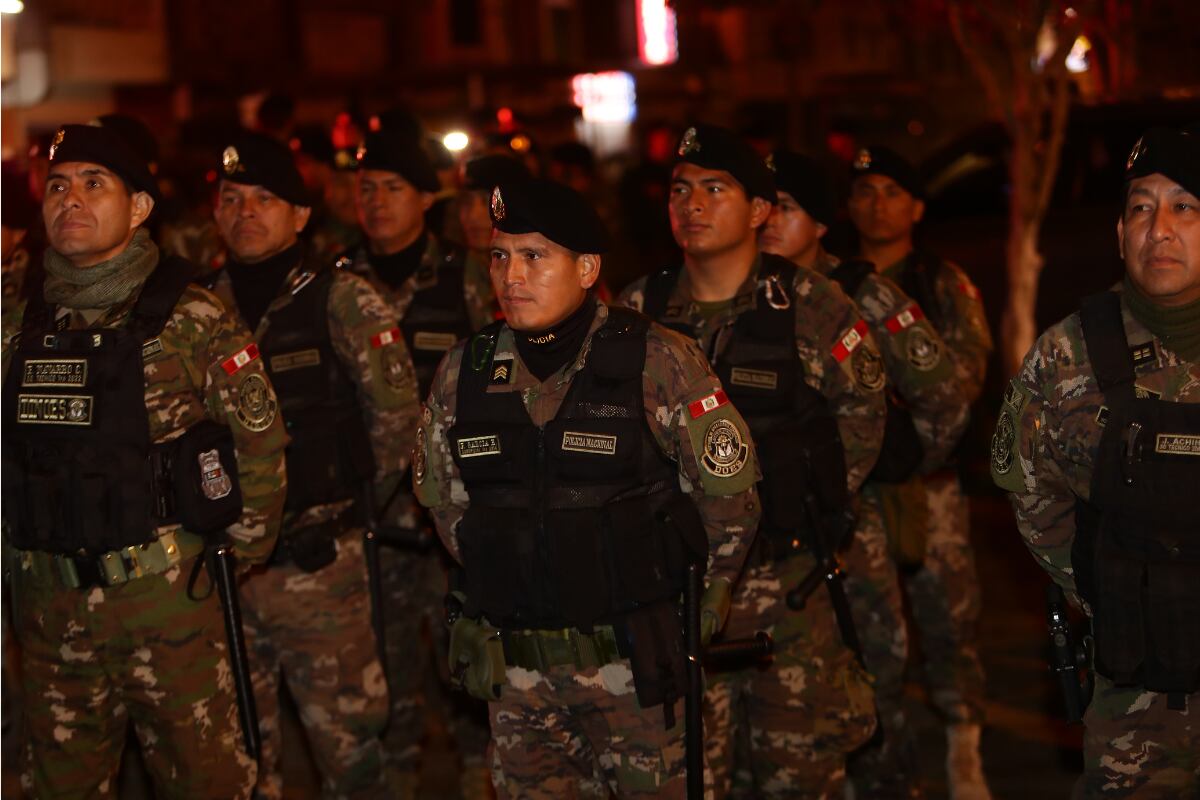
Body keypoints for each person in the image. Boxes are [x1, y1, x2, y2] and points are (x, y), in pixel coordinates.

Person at [414, 177, 761, 798]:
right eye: (500, 256)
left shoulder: (658, 359)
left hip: (634, 672)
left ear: (587, 268)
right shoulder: (465, 372)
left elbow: (728, 494)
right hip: (519, 678)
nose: (511, 275)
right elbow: (445, 500)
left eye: (534, 256)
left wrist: (710, 597)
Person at [2, 123, 288, 798]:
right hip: (48, 609)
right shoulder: (17, 319)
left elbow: (260, 442)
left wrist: (232, 560)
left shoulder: (192, 316)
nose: (70, 199)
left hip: (165, 608)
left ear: (138, 209)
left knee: (206, 783)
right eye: (58, 184)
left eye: (94, 184)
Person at [618, 125, 882, 799]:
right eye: (681, 189)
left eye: (715, 188)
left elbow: (863, 416)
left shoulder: (814, 307)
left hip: (788, 592)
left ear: (760, 210)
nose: (693, 205)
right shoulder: (637, 312)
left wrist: (804, 501)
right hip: (679, 595)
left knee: (801, 779)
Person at [206, 130, 418, 799]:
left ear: (300, 216)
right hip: (221, 574)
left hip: (320, 568)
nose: (245, 212)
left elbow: (397, 421)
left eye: (264, 199)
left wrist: (348, 507)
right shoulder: (195, 310)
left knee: (350, 751)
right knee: (239, 758)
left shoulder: (343, 299)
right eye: (232, 198)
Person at [993, 126, 1200, 798]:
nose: (1159, 229)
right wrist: (1115, 591)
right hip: (1134, 698)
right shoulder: (1068, 356)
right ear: (1119, 235)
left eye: (1185, 207)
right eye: (1141, 208)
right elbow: (1029, 492)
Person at [764, 149, 971, 797]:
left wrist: (898, 469)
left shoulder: (860, 292)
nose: (768, 219)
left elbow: (946, 393)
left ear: (821, 221)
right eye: (762, 204)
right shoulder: (732, 291)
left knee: (874, 671)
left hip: (858, 527)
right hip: (765, 536)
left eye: (787, 207)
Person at [334, 124, 496, 798]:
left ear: (427, 197)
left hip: (457, 520)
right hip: (370, 517)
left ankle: (476, 771)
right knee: (386, 668)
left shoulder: (468, 278)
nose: (375, 201)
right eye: (366, 188)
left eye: (392, 188)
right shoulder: (335, 282)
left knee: (470, 666)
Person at [846, 145, 994, 799]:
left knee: (949, 620)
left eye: (892, 191)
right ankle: (879, 757)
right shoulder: (830, 282)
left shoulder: (942, 282)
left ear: (917, 207)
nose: (877, 203)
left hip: (928, 481)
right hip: (858, 488)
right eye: (865, 190)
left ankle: (965, 746)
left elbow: (965, 378)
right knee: (867, 632)